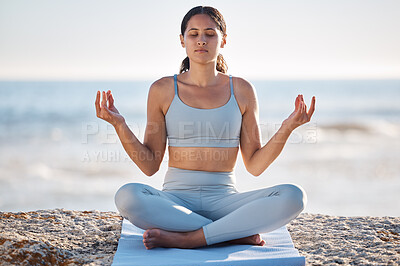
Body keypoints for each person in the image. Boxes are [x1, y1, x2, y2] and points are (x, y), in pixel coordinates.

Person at [95, 6, 316, 250]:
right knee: (127, 196)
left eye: (210, 33)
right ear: (182, 40)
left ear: (223, 40)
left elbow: (255, 165)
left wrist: (287, 127)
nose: (201, 40)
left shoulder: (242, 90)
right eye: (194, 34)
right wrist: (119, 124)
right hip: (175, 200)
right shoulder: (162, 89)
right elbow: (149, 165)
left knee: (294, 196)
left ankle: (190, 238)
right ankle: (229, 232)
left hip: (226, 200)